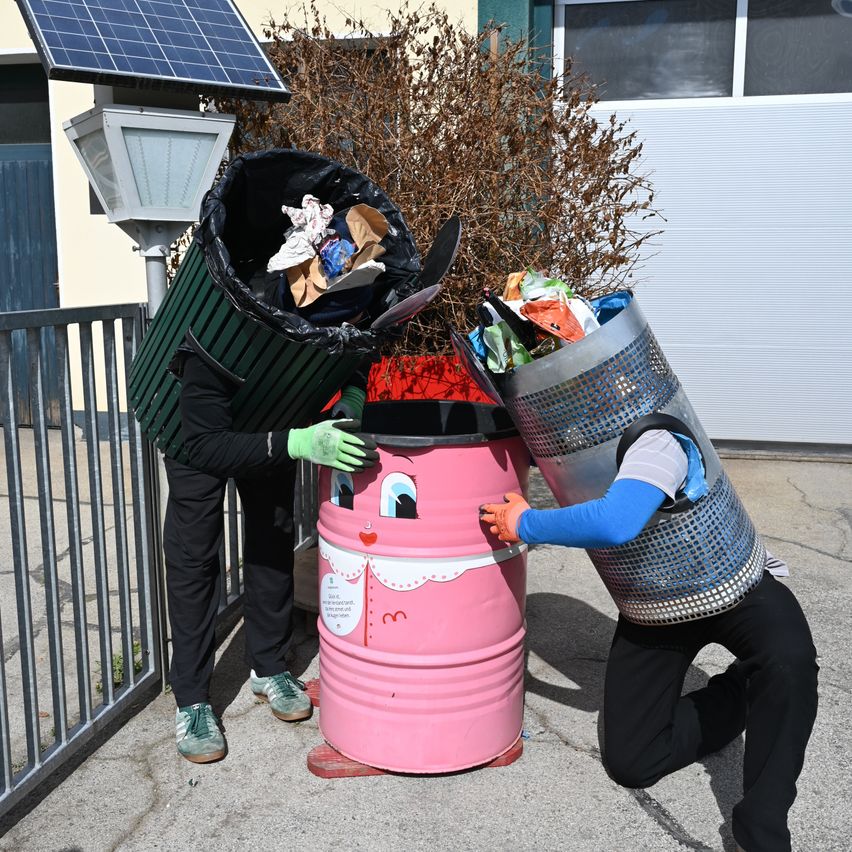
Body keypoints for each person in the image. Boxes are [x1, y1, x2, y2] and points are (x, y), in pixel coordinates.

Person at [481, 426, 818, 852]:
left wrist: (525, 523)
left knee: (789, 664)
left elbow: (615, 522)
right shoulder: (563, 437)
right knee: (633, 762)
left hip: (733, 582)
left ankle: (762, 831)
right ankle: (740, 693)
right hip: (655, 603)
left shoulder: (656, 437)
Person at [164, 342, 378, 764]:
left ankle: (268, 666)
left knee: (272, 534)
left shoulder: (334, 305)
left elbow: (359, 348)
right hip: (196, 431)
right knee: (196, 554)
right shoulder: (217, 332)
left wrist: (352, 390)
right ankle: (191, 699)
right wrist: (298, 443)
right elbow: (208, 447)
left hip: (271, 411)